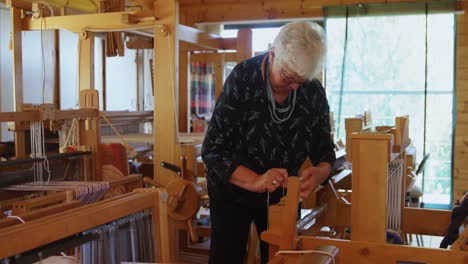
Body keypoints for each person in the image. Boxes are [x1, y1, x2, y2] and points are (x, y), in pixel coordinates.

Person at [202, 21, 336, 264]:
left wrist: (319, 174)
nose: (294, 86)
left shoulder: (313, 91)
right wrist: (256, 180)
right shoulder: (243, 79)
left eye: (301, 80)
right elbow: (212, 151)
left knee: (283, 256)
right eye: (288, 77)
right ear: (272, 54)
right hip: (233, 188)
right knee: (227, 256)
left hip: (283, 193)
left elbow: (325, 151)